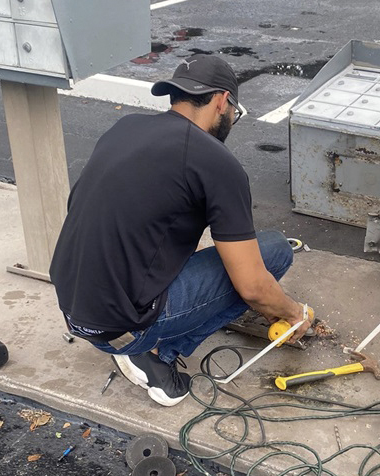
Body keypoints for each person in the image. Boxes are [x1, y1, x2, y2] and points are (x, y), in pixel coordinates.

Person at [49, 55, 312, 407]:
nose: (233, 118)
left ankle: (140, 337)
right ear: (222, 101)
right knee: (274, 250)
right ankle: (156, 353)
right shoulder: (217, 162)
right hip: (124, 327)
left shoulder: (126, 128)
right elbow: (253, 288)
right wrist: (294, 314)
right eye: (234, 110)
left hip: (73, 308)